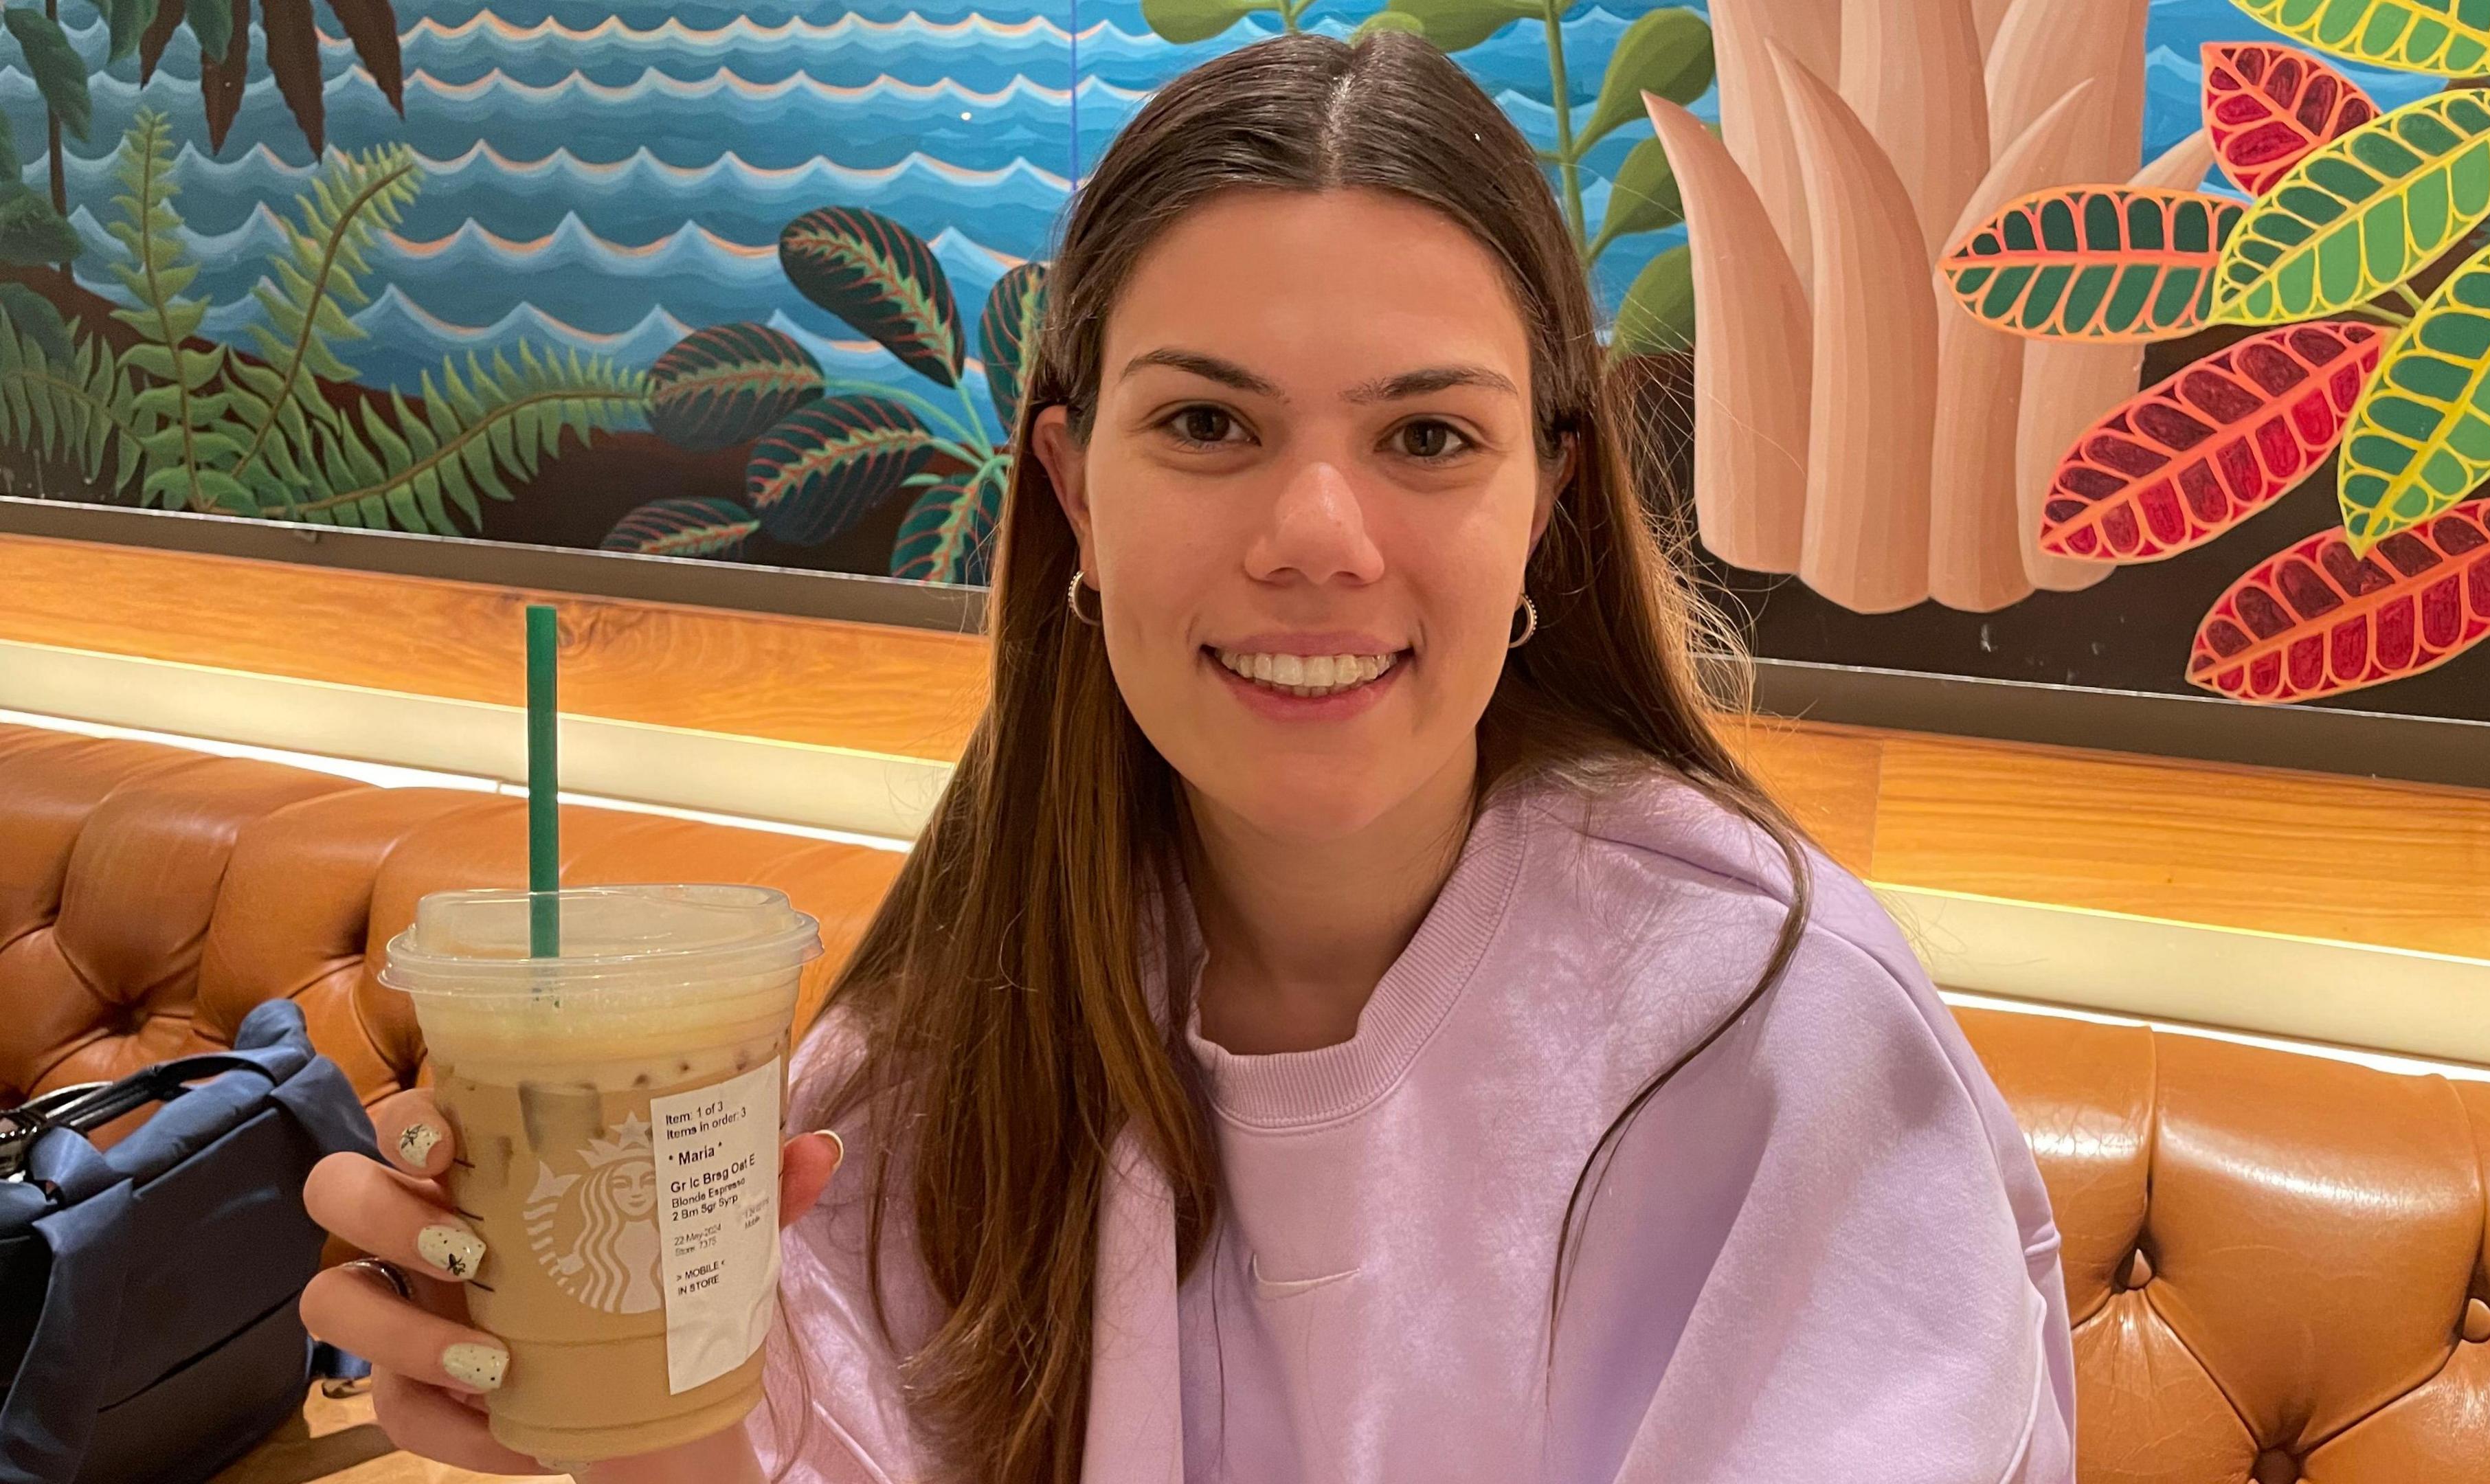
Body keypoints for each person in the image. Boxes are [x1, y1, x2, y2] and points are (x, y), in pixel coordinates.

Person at [299, 30, 2076, 1484]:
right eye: (1210, 423)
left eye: (1429, 435)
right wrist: (616, 1416)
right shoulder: (940, 1060)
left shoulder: (1773, 1038)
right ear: (1075, 489)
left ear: (1546, 502)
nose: (1318, 533)